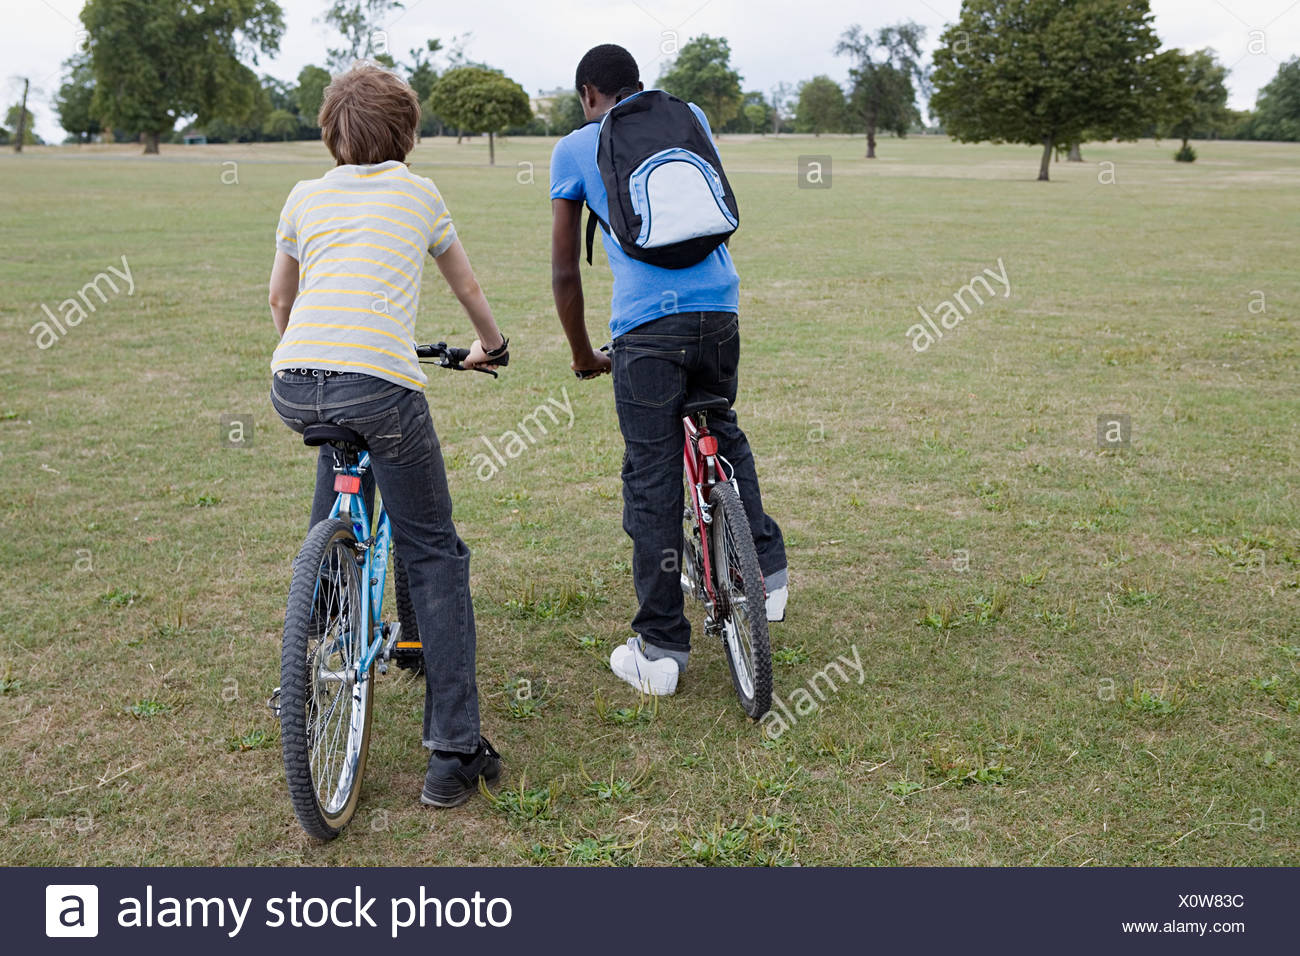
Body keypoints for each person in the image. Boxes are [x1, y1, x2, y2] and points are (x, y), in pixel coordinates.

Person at [267, 62, 507, 806]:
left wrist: (312, 360)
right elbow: (465, 285)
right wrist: (490, 346)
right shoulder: (419, 193)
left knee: (340, 472)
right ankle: (453, 753)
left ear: (330, 131)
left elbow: (280, 297)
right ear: (408, 133)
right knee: (435, 550)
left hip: (293, 380)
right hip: (379, 384)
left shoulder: (305, 196)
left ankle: (302, 675)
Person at [549, 44, 788, 697]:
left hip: (646, 329)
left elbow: (566, 271)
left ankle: (659, 648)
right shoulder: (691, 117)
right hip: (719, 309)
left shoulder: (576, 146)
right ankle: (767, 578)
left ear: (590, 94)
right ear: (640, 86)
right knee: (722, 429)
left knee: (652, 476)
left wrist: (581, 354)